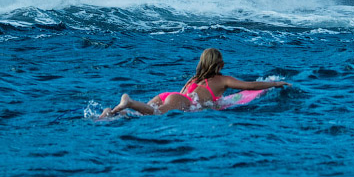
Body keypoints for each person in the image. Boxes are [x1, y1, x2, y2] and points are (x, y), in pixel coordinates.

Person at [99, 48, 289, 117]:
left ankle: (112, 112)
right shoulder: (222, 80)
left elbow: (184, 93)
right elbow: (250, 86)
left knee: (141, 114)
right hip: (181, 101)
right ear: (220, 64)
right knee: (155, 114)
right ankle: (128, 101)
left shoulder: (194, 78)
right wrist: (275, 84)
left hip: (169, 95)